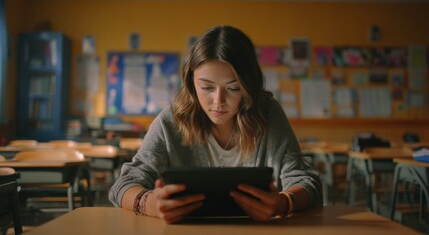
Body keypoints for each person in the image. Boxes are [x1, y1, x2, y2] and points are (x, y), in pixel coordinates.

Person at [109, 25, 322, 223]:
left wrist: (285, 203)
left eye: (233, 88)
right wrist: (149, 204)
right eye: (207, 87)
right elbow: (123, 185)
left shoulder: (268, 114)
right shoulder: (172, 120)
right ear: (192, 83)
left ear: (249, 87)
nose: (218, 101)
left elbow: (307, 183)